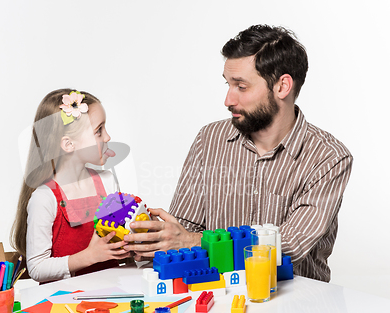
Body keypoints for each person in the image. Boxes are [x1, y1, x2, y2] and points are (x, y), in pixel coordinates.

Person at [123, 25, 353, 282]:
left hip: (294, 302)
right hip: (215, 296)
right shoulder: (209, 139)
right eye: (228, 84)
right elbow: (184, 229)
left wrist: (191, 240)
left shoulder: (329, 157)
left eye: (241, 87)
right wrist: (151, 240)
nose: (228, 99)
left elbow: (290, 244)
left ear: (282, 86)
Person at [10, 89, 131, 283]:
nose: (107, 137)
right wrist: (89, 256)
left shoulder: (108, 181)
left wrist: (136, 241)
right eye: (99, 131)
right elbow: (36, 268)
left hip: (110, 294)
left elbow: (117, 241)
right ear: (68, 144)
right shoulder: (45, 198)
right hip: (62, 302)